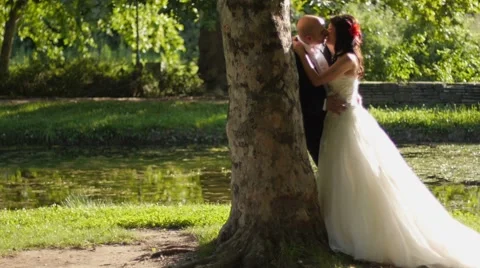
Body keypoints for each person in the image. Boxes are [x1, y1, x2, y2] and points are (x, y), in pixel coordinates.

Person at [293, 14, 480, 268]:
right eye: (324, 30)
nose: (327, 33)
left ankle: (364, 231)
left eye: (331, 30)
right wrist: (304, 47)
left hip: (346, 121)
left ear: (341, 35)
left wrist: (300, 52)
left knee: (362, 175)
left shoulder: (346, 58)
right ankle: (341, 225)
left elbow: (317, 79)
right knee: (340, 176)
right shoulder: (332, 52)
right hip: (337, 120)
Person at [294, 15, 345, 165]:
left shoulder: (325, 48)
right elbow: (299, 93)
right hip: (313, 122)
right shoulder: (294, 56)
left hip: (336, 119)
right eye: (322, 31)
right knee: (327, 166)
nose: (326, 33)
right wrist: (323, 104)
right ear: (309, 37)